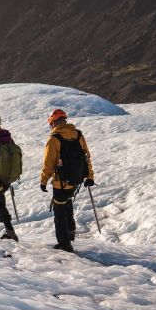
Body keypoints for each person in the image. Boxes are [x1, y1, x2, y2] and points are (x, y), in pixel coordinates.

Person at [40, 108, 95, 252]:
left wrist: (43, 181)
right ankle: (70, 233)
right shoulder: (78, 134)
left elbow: (49, 164)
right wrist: (89, 176)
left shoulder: (54, 139)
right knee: (67, 203)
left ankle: (65, 244)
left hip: (60, 181)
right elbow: (86, 156)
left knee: (59, 210)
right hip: (76, 179)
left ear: (53, 122)